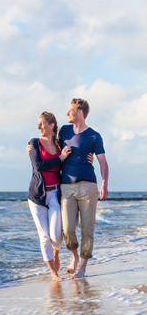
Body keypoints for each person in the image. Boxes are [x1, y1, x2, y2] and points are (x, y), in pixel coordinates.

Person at [59, 98, 109, 279]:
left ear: (80, 112)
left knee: (87, 229)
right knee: (67, 228)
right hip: (67, 188)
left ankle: (83, 267)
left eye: (70, 110)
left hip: (88, 187)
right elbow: (50, 145)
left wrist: (104, 184)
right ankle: (73, 257)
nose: (67, 113)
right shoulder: (64, 131)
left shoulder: (94, 136)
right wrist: (32, 147)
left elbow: (103, 162)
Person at [28, 111, 71, 281]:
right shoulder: (34, 143)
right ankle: (53, 273)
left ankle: (56, 251)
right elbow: (38, 166)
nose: (39, 127)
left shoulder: (60, 145)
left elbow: (71, 161)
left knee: (56, 236)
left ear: (52, 125)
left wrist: (89, 159)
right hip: (37, 196)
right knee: (44, 236)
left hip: (55, 194)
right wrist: (60, 158)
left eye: (42, 123)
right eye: (38, 124)